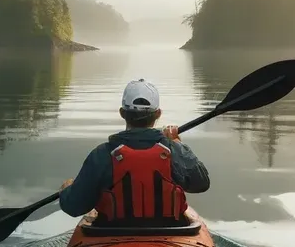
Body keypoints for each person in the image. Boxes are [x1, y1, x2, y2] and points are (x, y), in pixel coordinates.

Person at [58, 78, 210, 224]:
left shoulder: (101, 155)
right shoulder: (174, 150)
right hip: (170, 234)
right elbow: (201, 183)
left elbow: (73, 207)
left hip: (111, 233)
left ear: (122, 113)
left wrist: (67, 189)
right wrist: (176, 143)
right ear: (158, 114)